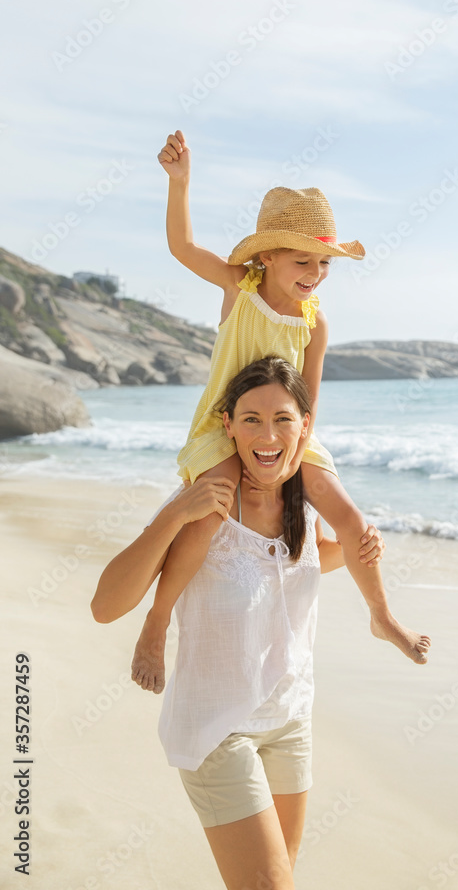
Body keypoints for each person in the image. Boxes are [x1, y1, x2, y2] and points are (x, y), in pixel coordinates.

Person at [130, 129, 431, 695]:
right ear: (266, 256)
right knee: (212, 505)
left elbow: (309, 405)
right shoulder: (238, 289)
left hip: (290, 433)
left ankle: (381, 615)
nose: (315, 273)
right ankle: (157, 617)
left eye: (324, 262)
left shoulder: (316, 323)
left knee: (354, 522)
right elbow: (181, 247)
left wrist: (295, 454)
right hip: (227, 428)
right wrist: (180, 183)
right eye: (302, 260)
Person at [91, 358, 387, 889]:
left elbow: (315, 558)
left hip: (290, 721)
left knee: (278, 880)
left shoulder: (302, 505)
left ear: (304, 425)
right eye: (251, 419)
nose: (268, 435)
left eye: (283, 419)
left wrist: (361, 543)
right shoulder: (206, 507)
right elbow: (105, 606)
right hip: (217, 729)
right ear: (226, 425)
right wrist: (175, 511)